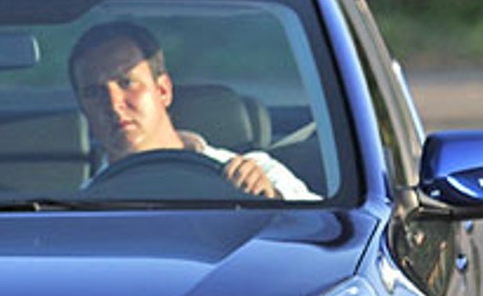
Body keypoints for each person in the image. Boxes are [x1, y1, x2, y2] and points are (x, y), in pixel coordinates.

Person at [68, 21, 314, 200]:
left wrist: (273, 200)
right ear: (83, 109)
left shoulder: (257, 172)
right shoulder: (82, 208)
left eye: (126, 83)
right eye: (94, 93)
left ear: (163, 90)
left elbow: (324, 236)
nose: (113, 104)